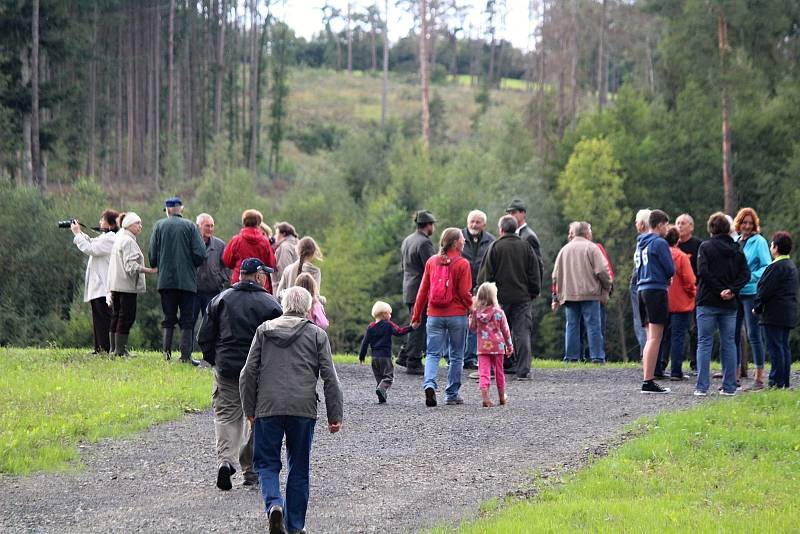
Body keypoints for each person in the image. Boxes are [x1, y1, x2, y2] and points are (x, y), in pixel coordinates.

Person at [240, 286, 343, 534]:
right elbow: (330, 378)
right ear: (307, 308)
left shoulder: (264, 331)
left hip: (268, 407)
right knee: (299, 466)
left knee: (266, 463)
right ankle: (295, 526)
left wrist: (249, 408)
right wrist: (335, 415)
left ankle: (274, 504)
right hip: (303, 409)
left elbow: (247, 373)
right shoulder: (317, 334)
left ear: (283, 305)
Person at [197, 258, 282, 491]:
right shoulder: (271, 304)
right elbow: (278, 341)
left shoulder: (220, 299)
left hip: (227, 369)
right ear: (257, 276)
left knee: (226, 415)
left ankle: (226, 461)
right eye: (263, 274)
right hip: (259, 371)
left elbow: (204, 337)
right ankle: (251, 469)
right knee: (259, 419)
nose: (264, 277)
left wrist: (216, 360)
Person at [412, 227, 473, 406]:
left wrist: (416, 315)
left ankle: (429, 384)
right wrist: (473, 308)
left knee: (432, 353)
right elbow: (464, 292)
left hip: (435, 315)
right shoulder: (463, 264)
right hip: (457, 315)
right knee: (456, 356)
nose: (464, 241)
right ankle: (452, 394)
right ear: (455, 243)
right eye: (462, 239)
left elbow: (422, 291)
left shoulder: (432, 261)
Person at [477, 215, 541, 380]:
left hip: (499, 300)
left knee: (496, 333)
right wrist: (533, 292)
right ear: (515, 228)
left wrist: (484, 297)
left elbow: (486, 275)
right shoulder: (526, 247)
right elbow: (534, 273)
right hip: (522, 299)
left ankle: (494, 368)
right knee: (522, 333)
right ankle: (523, 370)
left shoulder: (495, 247)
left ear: (501, 229)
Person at [693, 212, 750, 397]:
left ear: (711, 229)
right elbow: (745, 275)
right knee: (729, 344)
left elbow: (703, 272)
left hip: (707, 301)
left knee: (704, 342)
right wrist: (731, 290)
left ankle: (702, 387)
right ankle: (729, 387)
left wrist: (719, 290)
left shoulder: (705, 247)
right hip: (730, 304)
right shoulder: (736, 248)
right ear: (729, 229)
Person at [149, 196, 207, 366]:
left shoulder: (158, 226)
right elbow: (201, 253)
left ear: (167, 210)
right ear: (181, 209)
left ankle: (166, 356)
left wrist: (160, 264)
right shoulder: (190, 226)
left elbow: (152, 256)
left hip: (165, 281)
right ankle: (185, 357)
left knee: (168, 317)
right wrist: (191, 265)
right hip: (187, 282)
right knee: (187, 319)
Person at [551, 221, 612, 363]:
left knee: (571, 325)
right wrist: (607, 286)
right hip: (590, 293)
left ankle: (571, 357)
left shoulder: (564, 250)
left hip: (569, 294)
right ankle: (596, 356)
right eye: (590, 231)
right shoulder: (592, 248)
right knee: (593, 325)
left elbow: (555, 275)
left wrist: (556, 296)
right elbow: (603, 271)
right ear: (586, 233)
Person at [635, 209, 675, 393]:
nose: (668, 228)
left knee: (649, 336)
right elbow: (669, 268)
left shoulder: (641, 243)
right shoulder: (659, 242)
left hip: (641, 289)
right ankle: (648, 380)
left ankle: (647, 377)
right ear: (659, 225)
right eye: (666, 224)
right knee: (655, 337)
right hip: (655, 290)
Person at [107, 212, 157, 356]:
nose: (140, 226)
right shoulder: (128, 241)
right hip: (126, 286)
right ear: (128, 225)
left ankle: (114, 349)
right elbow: (131, 266)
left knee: (116, 316)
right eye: (137, 223)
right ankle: (120, 351)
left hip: (116, 285)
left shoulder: (119, 238)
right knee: (126, 317)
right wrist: (149, 270)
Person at [733, 208, 772, 390]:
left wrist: (749, 277)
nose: (747, 226)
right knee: (732, 334)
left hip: (751, 292)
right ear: (739, 224)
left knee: (753, 334)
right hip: (735, 293)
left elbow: (766, 267)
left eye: (750, 223)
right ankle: (734, 375)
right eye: (744, 222)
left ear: (754, 224)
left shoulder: (760, 242)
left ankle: (758, 377)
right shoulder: (734, 241)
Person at [754, 231, 799, 389]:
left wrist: (757, 307)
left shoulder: (775, 267)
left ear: (776, 247)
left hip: (773, 315)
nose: (770, 247)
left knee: (774, 348)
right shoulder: (791, 266)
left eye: (772, 244)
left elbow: (765, 290)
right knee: (783, 347)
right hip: (788, 314)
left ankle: (775, 382)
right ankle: (784, 381)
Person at [70, 209, 119, 354]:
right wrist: (80, 232)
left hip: (103, 286)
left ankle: (105, 349)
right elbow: (92, 241)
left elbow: (90, 248)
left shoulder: (111, 238)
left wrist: (78, 234)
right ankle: (99, 348)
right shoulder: (106, 237)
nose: (99, 222)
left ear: (110, 224)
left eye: (102, 219)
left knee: (103, 318)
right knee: (98, 318)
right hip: (99, 286)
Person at [396, 210, 437, 375]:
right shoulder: (425, 243)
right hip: (420, 290)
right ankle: (413, 360)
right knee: (419, 326)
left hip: (408, 288)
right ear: (428, 225)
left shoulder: (407, 240)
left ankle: (405, 354)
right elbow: (432, 267)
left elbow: (404, 266)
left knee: (414, 322)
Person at [505, 199, 545, 358]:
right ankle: (510, 361)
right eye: (509, 213)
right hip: (511, 290)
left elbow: (538, 265)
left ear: (523, 214)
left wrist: (534, 290)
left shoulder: (528, 236)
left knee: (521, 328)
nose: (511, 215)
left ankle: (519, 364)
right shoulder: (513, 234)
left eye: (514, 212)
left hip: (523, 291)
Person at [461, 209, 495, 371]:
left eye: (477, 222)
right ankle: (452, 356)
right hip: (460, 288)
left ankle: (470, 357)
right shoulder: (458, 238)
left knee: (476, 323)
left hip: (481, 289)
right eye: (471, 222)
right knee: (458, 323)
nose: (474, 225)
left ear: (484, 224)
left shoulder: (491, 242)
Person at [358, 301, 412, 403]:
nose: (390, 315)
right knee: (388, 377)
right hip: (385, 357)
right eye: (389, 313)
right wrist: (411, 328)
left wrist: (362, 356)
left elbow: (365, 343)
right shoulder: (388, 325)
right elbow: (399, 332)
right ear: (384, 314)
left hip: (374, 358)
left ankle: (381, 396)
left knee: (379, 377)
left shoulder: (371, 327)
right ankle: (382, 390)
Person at [469, 282, 513, 408]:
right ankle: (502, 397)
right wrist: (509, 346)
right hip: (498, 347)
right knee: (499, 372)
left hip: (483, 348)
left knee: (484, 372)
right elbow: (506, 330)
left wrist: (471, 314)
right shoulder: (499, 312)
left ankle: (486, 398)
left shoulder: (476, 313)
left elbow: (472, 328)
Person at [663, 226, 696, 380]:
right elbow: (690, 281)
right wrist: (693, 293)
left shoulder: (660, 255)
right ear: (677, 240)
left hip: (663, 301)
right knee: (678, 337)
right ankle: (676, 371)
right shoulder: (681, 256)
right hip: (680, 302)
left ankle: (657, 368)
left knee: (662, 336)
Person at [224, 209, 277, 292]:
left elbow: (227, 261)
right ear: (258, 223)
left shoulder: (236, 240)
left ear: (244, 222)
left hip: (240, 282)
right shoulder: (265, 241)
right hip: (260, 283)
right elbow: (271, 263)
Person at [675, 213, 702, 374]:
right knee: (674, 329)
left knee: (694, 329)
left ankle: (695, 361)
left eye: (683, 223)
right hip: (676, 293)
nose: (679, 226)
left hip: (694, 291)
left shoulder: (698, 245)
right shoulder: (672, 245)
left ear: (691, 227)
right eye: (677, 223)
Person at [192, 213, 230, 326]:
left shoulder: (220, 245)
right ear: (199, 226)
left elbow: (226, 266)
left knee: (211, 324)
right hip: (193, 291)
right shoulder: (190, 243)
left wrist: (220, 279)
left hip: (212, 291)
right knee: (189, 322)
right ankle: (186, 345)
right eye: (207, 226)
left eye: (212, 226)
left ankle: (209, 345)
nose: (210, 229)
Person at [630, 209, 651, 360]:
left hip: (640, 283)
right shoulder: (655, 239)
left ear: (642, 224)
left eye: (637, 221)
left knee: (641, 320)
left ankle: (646, 354)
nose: (636, 224)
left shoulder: (642, 241)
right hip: (650, 284)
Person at [271, 222, 299, 290]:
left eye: (277, 233)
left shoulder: (285, 247)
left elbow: (284, 268)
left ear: (283, 234)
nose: (275, 236)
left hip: (284, 288)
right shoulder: (295, 244)